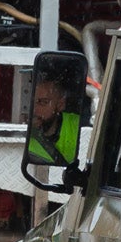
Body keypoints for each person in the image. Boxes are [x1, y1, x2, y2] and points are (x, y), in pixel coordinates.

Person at [24, 50, 89, 183]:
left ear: (60, 105)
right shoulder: (23, 130)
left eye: (43, 102)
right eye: (32, 102)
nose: (34, 110)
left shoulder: (81, 127)